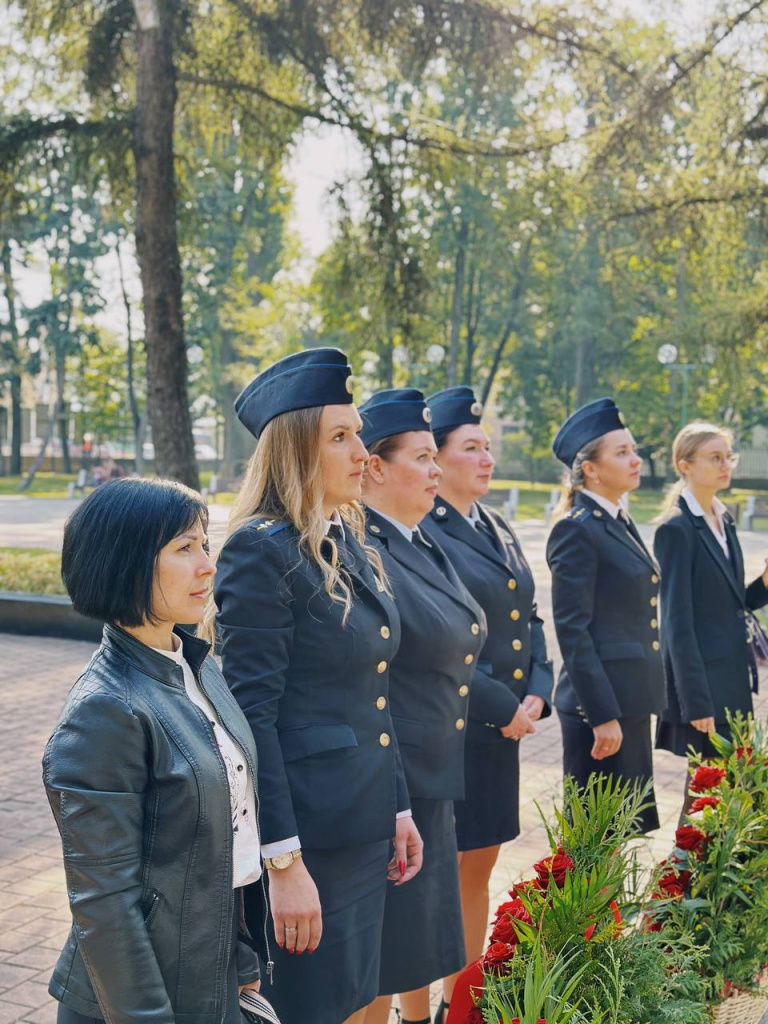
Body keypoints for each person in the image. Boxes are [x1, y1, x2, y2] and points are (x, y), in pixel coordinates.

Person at [209, 348, 423, 1024]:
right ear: (295, 450)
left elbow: (372, 694)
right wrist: (282, 863)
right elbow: (252, 720)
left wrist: (397, 805)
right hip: (310, 841)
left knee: (357, 1001)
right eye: (341, 436)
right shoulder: (261, 550)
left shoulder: (344, 537)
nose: (362, 450)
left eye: (358, 432)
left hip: (362, 827)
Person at [44, 478, 264, 1024]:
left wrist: (239, 961)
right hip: (138, 1002)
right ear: (127, 562)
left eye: (204, 544)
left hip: (206, 978)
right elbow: (105, 904)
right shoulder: (107, 708)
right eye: (184, 548)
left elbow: (219, 840)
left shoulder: (193, 664)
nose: (207, 565)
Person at [356, 389, 486, 1024]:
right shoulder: (367, 548)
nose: (437, 470)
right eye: (423, 456)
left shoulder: (418, 539)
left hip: (432, 770)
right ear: (375, 466)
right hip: (396, 777)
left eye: (439, 456)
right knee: (384, 959)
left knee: (414, 952)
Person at [424, 386, 553, 1023]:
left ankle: (462, 1003)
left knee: (479, 868)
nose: (487, 458)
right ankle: (423, 1005)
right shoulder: (425, 532)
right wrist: (506, 705)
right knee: (437, 882)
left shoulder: (496, 523)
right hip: (460, 728)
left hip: (508, 727)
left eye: (488, 447)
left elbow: (527, 616)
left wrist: (540, 691)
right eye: (470, 447)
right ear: (436, 459)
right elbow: (440, 644)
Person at [547, 397, 666, 834]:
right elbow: (573, 631)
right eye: (622, 452)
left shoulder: (616, 520)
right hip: (600, 711)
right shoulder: (577, 528)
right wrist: (600, 714)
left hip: (626, 703)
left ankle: (613, 908)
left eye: (633, 450)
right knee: (592, 844)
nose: (635, 460)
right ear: (591, 469)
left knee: (618, 839)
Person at [654, 422, 768, 818]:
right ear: (685, 465)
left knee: (727, 792)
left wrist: (765, 583)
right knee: (703, 796)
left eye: (728, 457)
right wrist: (694, 701)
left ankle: (702, 876)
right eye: (715, 458)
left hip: (733, 680)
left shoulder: (725, 520)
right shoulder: (676, 530)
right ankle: (680, 877)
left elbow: (734, 603)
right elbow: (676, 624)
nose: (726, 466)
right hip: (702, 686)